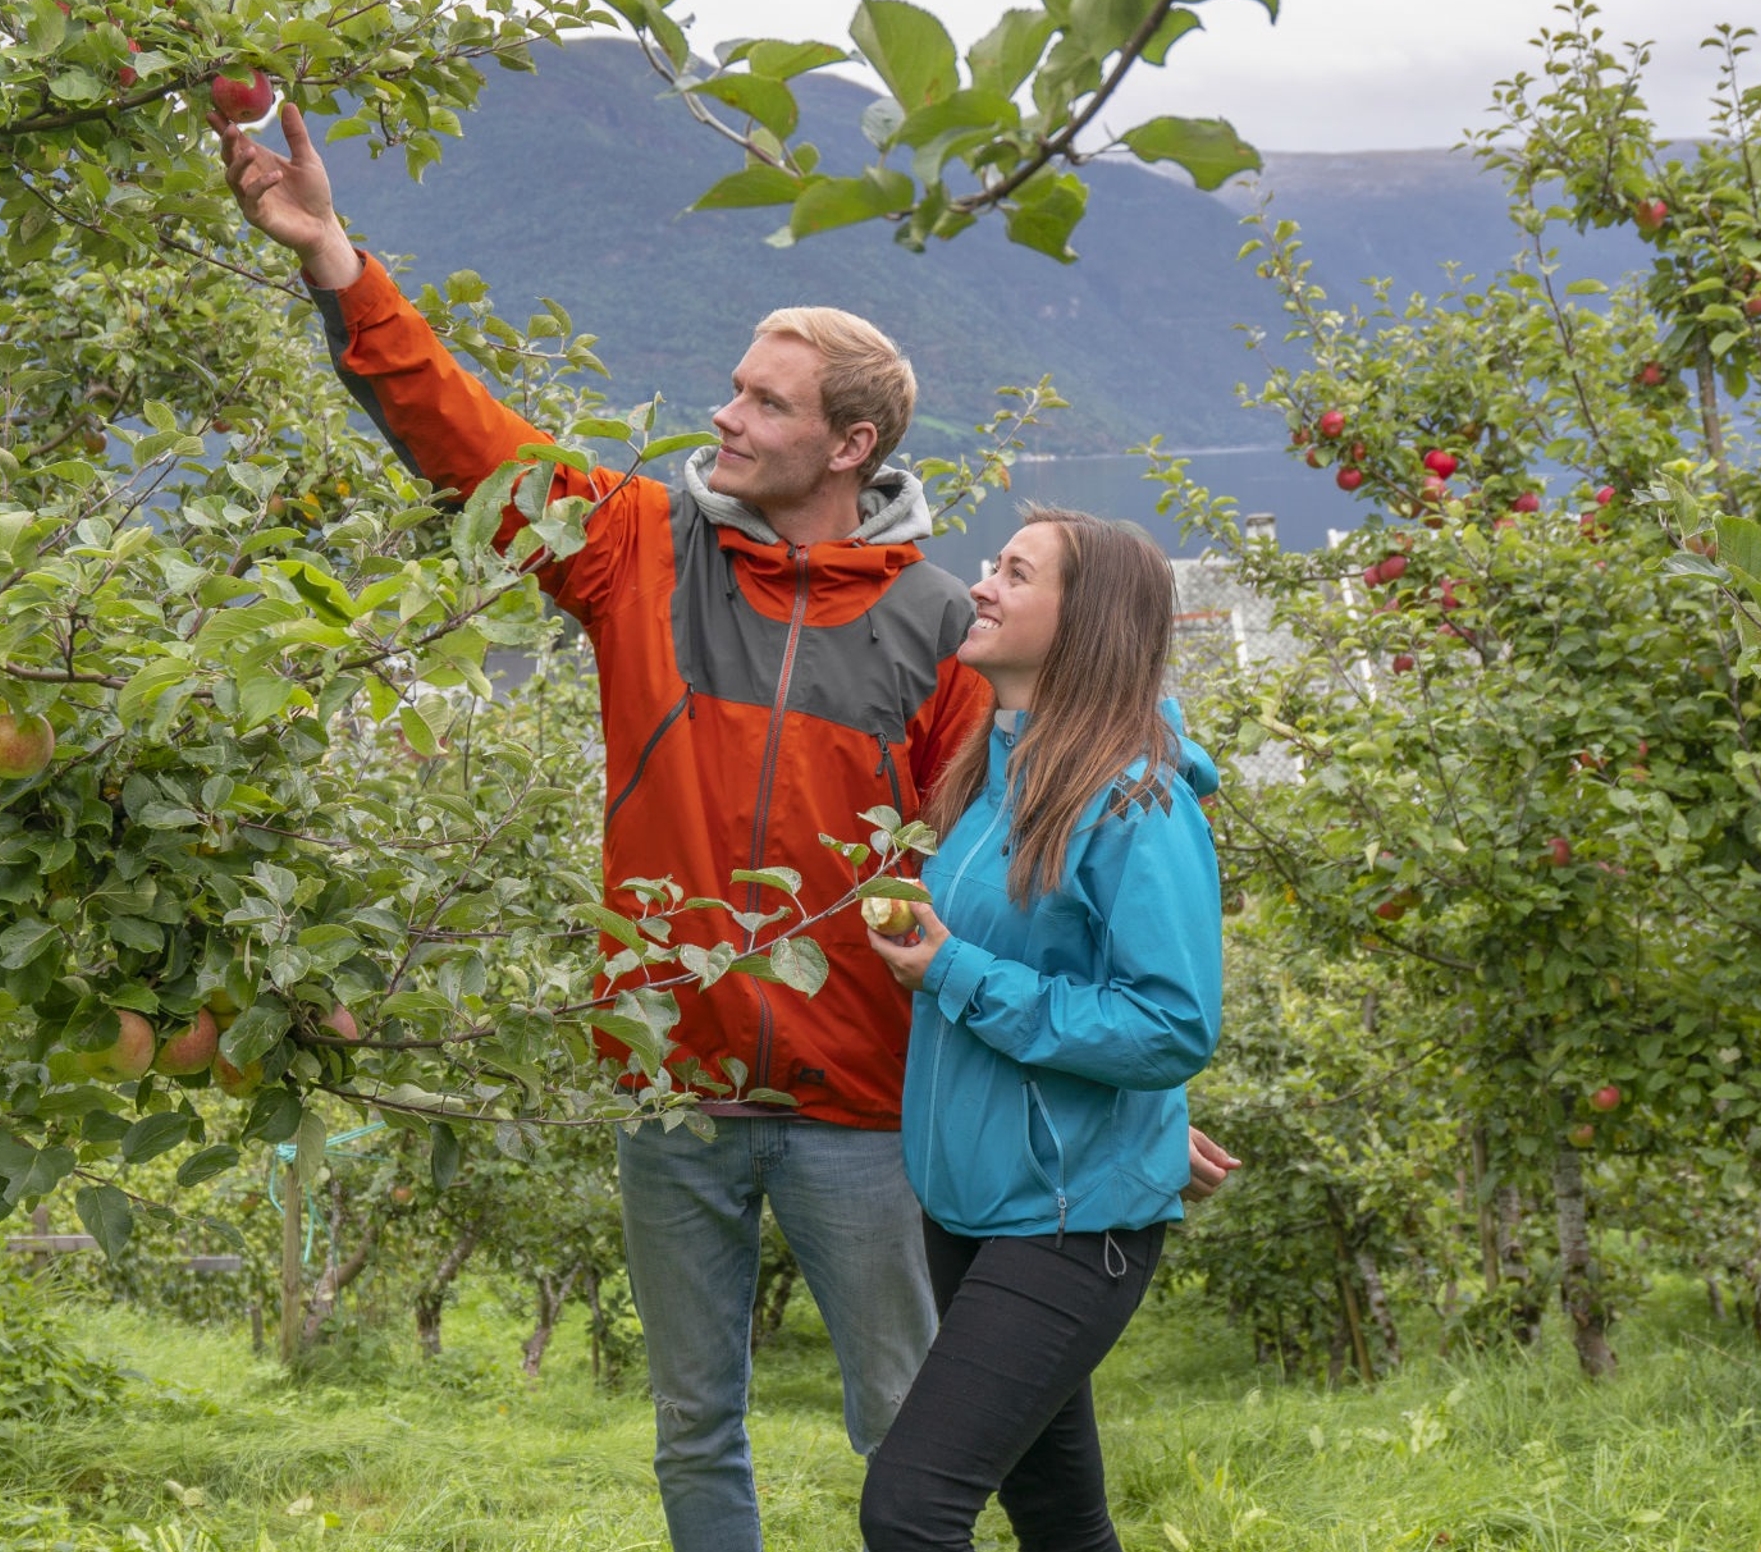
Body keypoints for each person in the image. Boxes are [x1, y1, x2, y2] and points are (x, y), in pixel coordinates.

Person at [214, 96, 984, 1552]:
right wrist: (330, 253)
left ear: (851, 442)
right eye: (735, 387)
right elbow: (465, 438)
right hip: (674, 1088)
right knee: (696, 1430)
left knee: (905, 1418)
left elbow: (988, 875)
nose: (726, 415)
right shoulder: (638, 548)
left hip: (865, 1110)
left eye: (764, 402)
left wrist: (1115, 1086)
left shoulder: (942, 628)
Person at [861, 507, 1224, 1552]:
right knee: (1060, 1521)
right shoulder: (992, 777)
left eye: (1015, 574)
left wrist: (956, 971)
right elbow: (1053, 980)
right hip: (968, 1197)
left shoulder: (1138, 803)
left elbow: (1169, 1022)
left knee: (909, 1509)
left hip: (1070, 1218)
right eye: (991, 566)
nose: (981, 586)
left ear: (1085, 620)